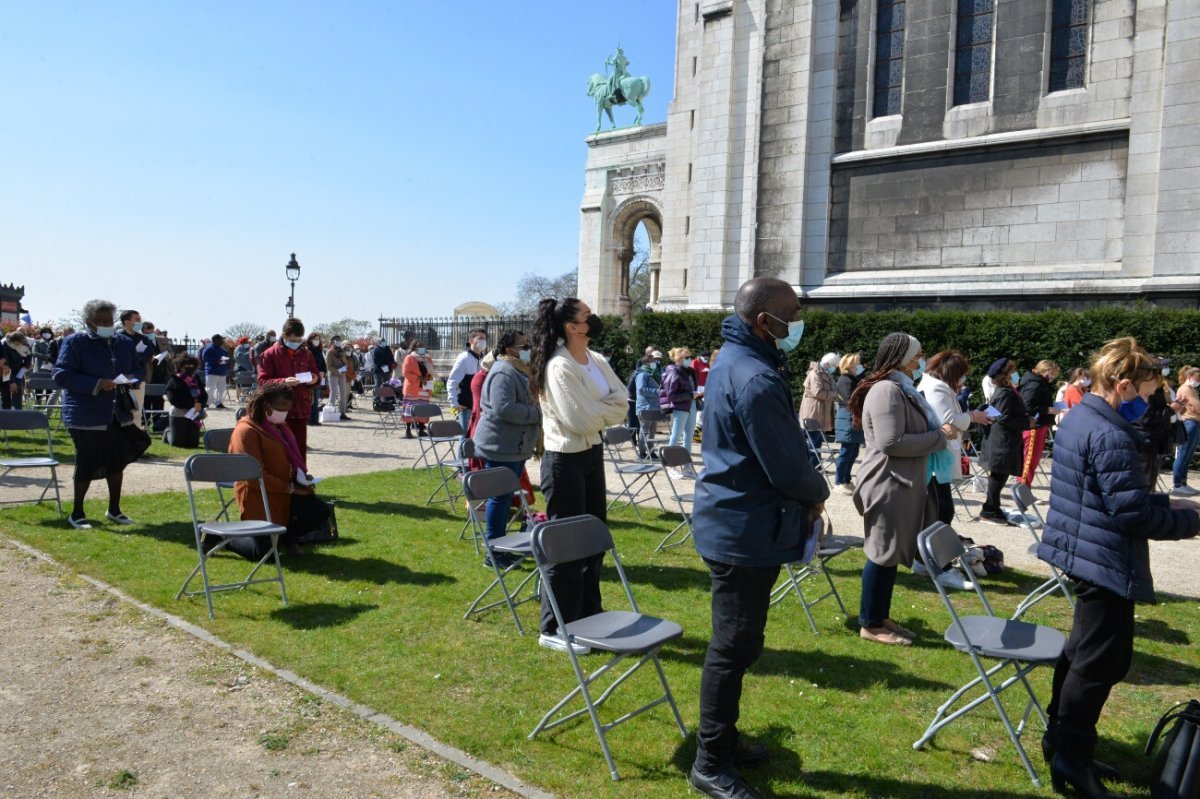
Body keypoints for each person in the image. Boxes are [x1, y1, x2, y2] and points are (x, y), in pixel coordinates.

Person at [1038, 337, 1200, 799]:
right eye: (1147, 394)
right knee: (1098, 662)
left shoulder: (1085, 416)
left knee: (1082, 655)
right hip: (1102, 558)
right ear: (1123, 385)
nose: (1150, 404)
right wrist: (1191, 521)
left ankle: (1063, 742)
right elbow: (1129, 513)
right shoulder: (1109, 432)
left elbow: (1110, 493)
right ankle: (1072, 754)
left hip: (1085, 550)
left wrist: (1171, 501)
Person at [687, 277, 828, 799]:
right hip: (741, 529)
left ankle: (723, 740)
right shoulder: (755, 376)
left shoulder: (738, 357)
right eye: (792, 313)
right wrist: (818, 491)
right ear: (764, 321)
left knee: (739, 643)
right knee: (732, 646)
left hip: (736, 521)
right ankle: (710, 761)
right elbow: (786, 466)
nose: (799, 321)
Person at [528, 297, 627, 654]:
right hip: (564, 460)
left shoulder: (596, 360)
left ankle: (588, 615)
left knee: (593, 539)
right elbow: (579, 420)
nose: (594, 318)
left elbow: (623, 401)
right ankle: (553, 626)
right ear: (573, 326)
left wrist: (597, 412)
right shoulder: (559, 367)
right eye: (588, 315)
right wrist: (602, 412)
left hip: (591, 453)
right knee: (567, 547)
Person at [849, 333, 951, 646]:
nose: (921, 360)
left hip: (900, 483)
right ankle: (869, 622)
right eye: (917, 355)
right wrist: (940, 436)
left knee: (889, 555)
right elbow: (891, 443)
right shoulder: (885, 390)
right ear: (902, 357)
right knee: (881, 553)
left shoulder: (900, 388)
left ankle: (880, 616)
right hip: (887, 483)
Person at [52, 299, 149, 529]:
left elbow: (137, 368)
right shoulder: (75, 342)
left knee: (117, 461)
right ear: (89, 322)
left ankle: (114, 509)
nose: (106, 324)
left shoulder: (123, 343)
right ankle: (77, 512)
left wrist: (132, 379)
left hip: (117, 411)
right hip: (86, 414)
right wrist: (97, 383)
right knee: (86, 461)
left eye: (109, 321)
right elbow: (61, 374)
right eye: (100, 321)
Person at [229, 383, 331, 557]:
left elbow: (290, 459)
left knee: (320, 511)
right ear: (266, 405)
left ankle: (288, 538)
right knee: (262, 553)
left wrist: (301, 479)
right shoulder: (246, 431)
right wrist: (290, 488)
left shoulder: (280, 426)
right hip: (259, 494)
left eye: (288, 409)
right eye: (281, 408)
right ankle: (221, 538)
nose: (285, 413)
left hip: (285, 491)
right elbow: (253, 477)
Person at [472, 331, 540, 564]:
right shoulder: (503, 371)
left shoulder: (517, 370)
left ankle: (499, 547)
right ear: (510, 349)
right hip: (500, 445)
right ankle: (494, 551)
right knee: (499, 498)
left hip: (513, 445)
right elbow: (505, 408)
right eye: (525, 345)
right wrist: (538, 414)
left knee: (503, 497)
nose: (528, 349)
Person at [918, 350, 993, 526]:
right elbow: (948, 421)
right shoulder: (937, 388)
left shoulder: (935, 385)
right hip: (937, 455)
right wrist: (973, 416)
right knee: (942, 509)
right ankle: (936, 546)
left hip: (939, 452)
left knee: (941, 508)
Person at [256, 318, 320, 457]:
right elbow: (262, 381)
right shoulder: (269, 354)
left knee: (300, 446)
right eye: (294, 339)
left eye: (299, 340)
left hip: (301, 407)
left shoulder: (306, 353)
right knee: (280, 449)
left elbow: (316, 374)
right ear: (284, 336)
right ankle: (284, 477)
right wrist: (284, 381)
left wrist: (314, 379)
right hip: (279, 409)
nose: (297, 343)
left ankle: (300, 475)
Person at [979, 358, 1030, 525]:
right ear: (1005, 374)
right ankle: (989, 509)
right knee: (998, 475)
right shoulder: (1004, 392)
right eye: (1012, 371)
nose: (1015, 374)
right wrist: (1027, 423)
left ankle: (993, 506)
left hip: (1004, 439)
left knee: (1000, 475)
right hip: (1002, 440)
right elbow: (1004, 417)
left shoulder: (1005, 390)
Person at [1018, 360, 1059, 486]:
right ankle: (1022, 489)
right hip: (1034, 427)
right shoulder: (1035, 384)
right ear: (1045, 371)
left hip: (1037, 425)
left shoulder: (1037, 382)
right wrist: (1047, 409)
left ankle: (1024, 488)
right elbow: (1027, 407)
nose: (1052, 378)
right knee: (1029, 461)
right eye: (1052, 374)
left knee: (1031, 461)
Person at [832, 352, 866, 495]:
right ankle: (839, 482)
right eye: (856, 363)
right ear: (850, 365)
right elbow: (849, 400)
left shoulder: (853, 379)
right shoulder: (845, 379)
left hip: (853, 419)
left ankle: (846, 480)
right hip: (848, 419)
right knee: (846, 452)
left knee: (853, 452)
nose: (859, 365)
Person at [800, 352, 839, 468]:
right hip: (814, 411)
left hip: (820, 411)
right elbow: (818, 392)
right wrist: (834, 394)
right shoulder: (815, 373)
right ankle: (811, 467)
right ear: (827, 363)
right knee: (814, 440)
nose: (834, 369)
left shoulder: (825, 372)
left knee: (817, 439)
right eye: (833, 366)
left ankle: (816, 465)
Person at [114, 309, 152, 429]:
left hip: (138, 380)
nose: (140, 322)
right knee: (117, 410)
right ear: (127, 322)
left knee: (136, 411)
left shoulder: (144, 339)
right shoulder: (116, 338)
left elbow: (147, 355)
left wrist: (131, 354)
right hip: (118, 380)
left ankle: (135, 439)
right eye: (137, 320)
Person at [659, 346, 698, 459]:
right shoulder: (674, 372)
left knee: (688, 437)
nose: (690, 359)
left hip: (692, 405)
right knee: (676, 436)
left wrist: (697, 394)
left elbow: (692, 388)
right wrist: (690, 395)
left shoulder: (691, 371)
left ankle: (686, 464)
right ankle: (669, 463)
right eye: (687, 357)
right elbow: (671, 395)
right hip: (681, 407)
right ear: (679, 358)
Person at [447, 328, 487, 433]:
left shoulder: (484, 359)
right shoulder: (464, 358)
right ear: (471, 340)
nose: (483, 341)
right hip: (466, 406)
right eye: (480, 338)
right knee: (465, 438)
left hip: (480, 405)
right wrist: (454, 403)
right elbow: (453, 381)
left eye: (485, 339)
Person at [164, 355, 207, 448]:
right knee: (178, 443)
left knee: (193, 444)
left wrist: (201, 404)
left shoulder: (196, 379)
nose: (189, 368)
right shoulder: (174, 380)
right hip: (178, 413)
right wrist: (192, 404)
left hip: (194, 413)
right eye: (186, 366)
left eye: (192, 366)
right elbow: (173, 400)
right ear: (180, 366)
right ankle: (167, 432)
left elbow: (204, 395)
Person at [1171, 366, 1200, 496]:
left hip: (1194, 422)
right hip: (1190, 423)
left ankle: (1183, 483)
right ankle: (1177, 485)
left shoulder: (1192, 389)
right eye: (1198, 377)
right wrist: (1195, 409)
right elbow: (1197, 407)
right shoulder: (1186, 389)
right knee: (1183, 454)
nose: (1199, 380)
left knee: (1188, 455)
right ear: (1190, 376)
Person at [401, 341, 435, 438]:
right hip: (412, 387)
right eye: (420, 346)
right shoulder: (410, 358)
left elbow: (431, 371)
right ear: (414, 347)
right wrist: (419, 378)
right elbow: (405, 372)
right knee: (410, 409)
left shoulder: (427, 358)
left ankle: (421, 429)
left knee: (423, 408)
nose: (422, 348)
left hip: (424, 387)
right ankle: (408, 430)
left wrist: (427, 378)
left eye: (423, 346)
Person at [1, 331, 33, 410]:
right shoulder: (5, 345)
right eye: (18, 343)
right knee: (6, 395)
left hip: (19, 371)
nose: (20, 344)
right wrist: (11, 381)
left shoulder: (25, 344)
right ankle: (6, 415)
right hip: (6, 371)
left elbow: (28, 360)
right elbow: (5, 365)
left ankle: (17, 413)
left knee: (18, 393)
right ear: (13, 341)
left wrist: (23, 370)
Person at [199, 334, 230, 409]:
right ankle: (206, 403)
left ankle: (219, 403)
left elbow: (227, 359)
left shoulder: (223, 350)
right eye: (221, 339)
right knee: (210, 388)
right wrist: (216, 361)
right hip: (211, 371)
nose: (223, 341)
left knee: (221, 389)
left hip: (222, 372)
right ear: (215, 340)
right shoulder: (208, 349)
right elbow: (204, 358)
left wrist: (228, 361)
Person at [324, 336, 352, 421]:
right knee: (333, 393)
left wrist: (345, 368)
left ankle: (342, 413)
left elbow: (345, 362)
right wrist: (337, 371)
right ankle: (330, 412)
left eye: (340, 340)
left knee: (343, 393)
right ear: (333, 341)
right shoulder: (330, 352)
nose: (339, 342)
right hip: (333, 374)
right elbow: (328, 366)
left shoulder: (342, 351)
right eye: (337, 340)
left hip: (342, 374)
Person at [306, 333, 328, 426]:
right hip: (309, 377)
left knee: (316, 400)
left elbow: (323, 364)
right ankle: (309, 419)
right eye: (315, 339)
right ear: (310, 339)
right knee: (310, 400)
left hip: (319, 378)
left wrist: (323, 371)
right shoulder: (307, 350)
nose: (317, 340)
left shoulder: (319, 350)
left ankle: (315, 419)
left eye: (318, 339)